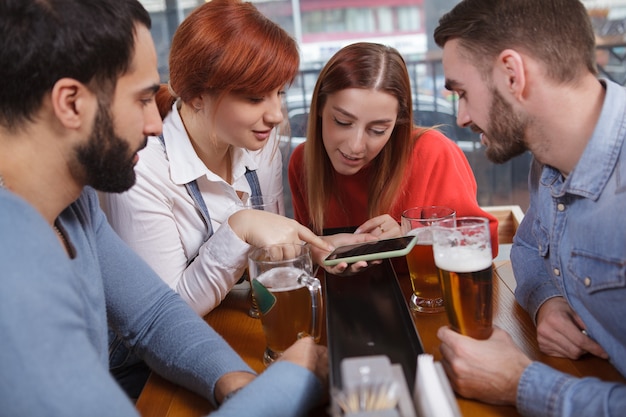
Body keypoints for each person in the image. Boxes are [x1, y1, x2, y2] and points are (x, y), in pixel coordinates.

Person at [0, 1, 330, 415]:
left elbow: (154, 315)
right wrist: (293, 379)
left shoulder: (75, 205)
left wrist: (235, 381)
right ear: (70, 103)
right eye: (141, 100)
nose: (156, 123)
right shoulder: (10, 264)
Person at [433, 0, 626, 416]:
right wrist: (549, 301)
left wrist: (520, 384)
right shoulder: (548, 160)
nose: (462, 117)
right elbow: (526, 249)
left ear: (512, 73)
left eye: (463, 93)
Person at [288, 42, 499, 262]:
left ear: (398, 122)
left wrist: (410, 236)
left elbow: (485, 242)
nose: (356, 146)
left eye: (378, 130)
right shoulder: (302, 162)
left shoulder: (433, 153)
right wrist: (316, 253)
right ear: (320, 107)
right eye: (342, 122)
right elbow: (306, 254)